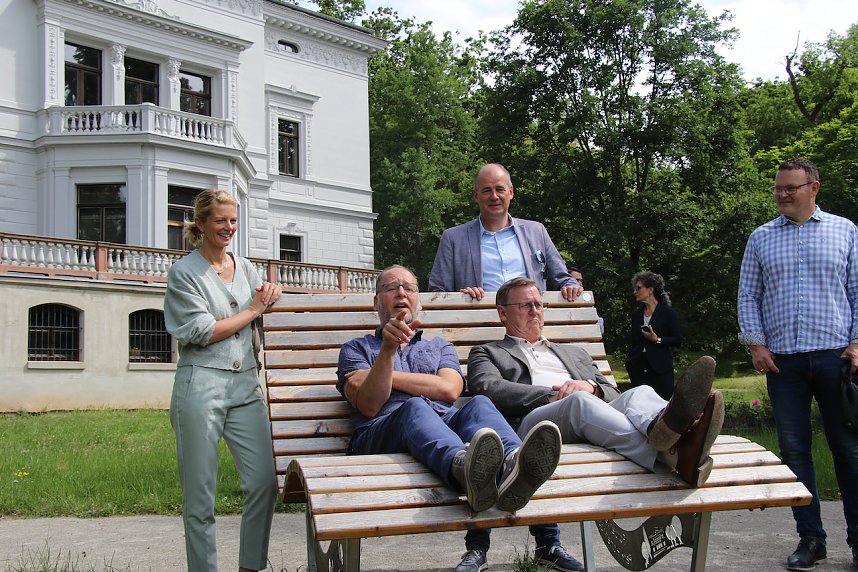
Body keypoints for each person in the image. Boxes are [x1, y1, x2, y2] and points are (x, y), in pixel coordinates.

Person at [467, 277, 724, 571]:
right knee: (579, 402)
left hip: (591, 415)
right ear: (503, 313)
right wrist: (554, 394)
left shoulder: (573, 352)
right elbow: (486, 387)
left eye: (539, 304)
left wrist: (593, 388)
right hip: (533, 428)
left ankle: (664, 432)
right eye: (526, 305)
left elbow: (613, 391)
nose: (535, 311)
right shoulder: (488, 352)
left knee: (638, 392)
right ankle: (678, 454)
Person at [336, 265, 562, 536]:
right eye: (390, 288)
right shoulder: (356, 349)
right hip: (379, 434)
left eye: (408, 288)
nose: (401, 293)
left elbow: (450, 390)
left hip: (444, 423)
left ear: (418, 299)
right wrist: (387, 350)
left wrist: (384, 376)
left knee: (478, 403)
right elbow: (371, 405)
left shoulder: (439, 346)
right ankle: (463, 467)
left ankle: (516, 462)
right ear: (376, 302)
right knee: (415, 406)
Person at [738, 157, 858, 571]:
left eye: (790, 187)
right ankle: (811, 540)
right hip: (782, 363)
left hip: (836, 358)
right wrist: (756, 344)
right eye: (778, 188)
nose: (782, 194)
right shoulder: (761, 237)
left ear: (814, 188)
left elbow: (857, 290)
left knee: (849, 451)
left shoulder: (846, 231)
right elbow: (748, 296)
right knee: (794, 451)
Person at [164, 189, 282, 572]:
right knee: (200, 497)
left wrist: (271, 295)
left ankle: (250, 566)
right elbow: (203, 331)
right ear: (200, 224)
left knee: (264, 482)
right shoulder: (184, 273)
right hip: (200, 386)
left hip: (246, 386)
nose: (228, 228)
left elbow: (262, 310)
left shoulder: (246, 268)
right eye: (220, 221)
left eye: (233, 221)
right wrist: (253, 308)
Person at [428, 162, 582, 301]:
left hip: (532, 322)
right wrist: (460, 297)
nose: (494, 196)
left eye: (500, 189)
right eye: (487, 190)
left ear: (511, 192)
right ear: (476, 195)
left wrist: (570, 286)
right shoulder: (453, 238)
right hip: (478, 323)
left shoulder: (536, 231)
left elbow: (563, 278)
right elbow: (437, 291)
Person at [625, 271, 681, 400]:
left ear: (650, 290)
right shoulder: (637, 314)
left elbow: (677, 339)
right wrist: (630, 361)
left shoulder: (667, 313)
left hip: (660, 368)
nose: (635, 292)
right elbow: (633, 341)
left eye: (639, 288)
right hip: (638, 368)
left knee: (663, 407)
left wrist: (657, 340)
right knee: (640, 405)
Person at [567, 266, 604, 334]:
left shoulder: (585, 303)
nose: (580, 284)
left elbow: (600, 329)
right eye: (576, 280)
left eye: (581, 280)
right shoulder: (554, 303)